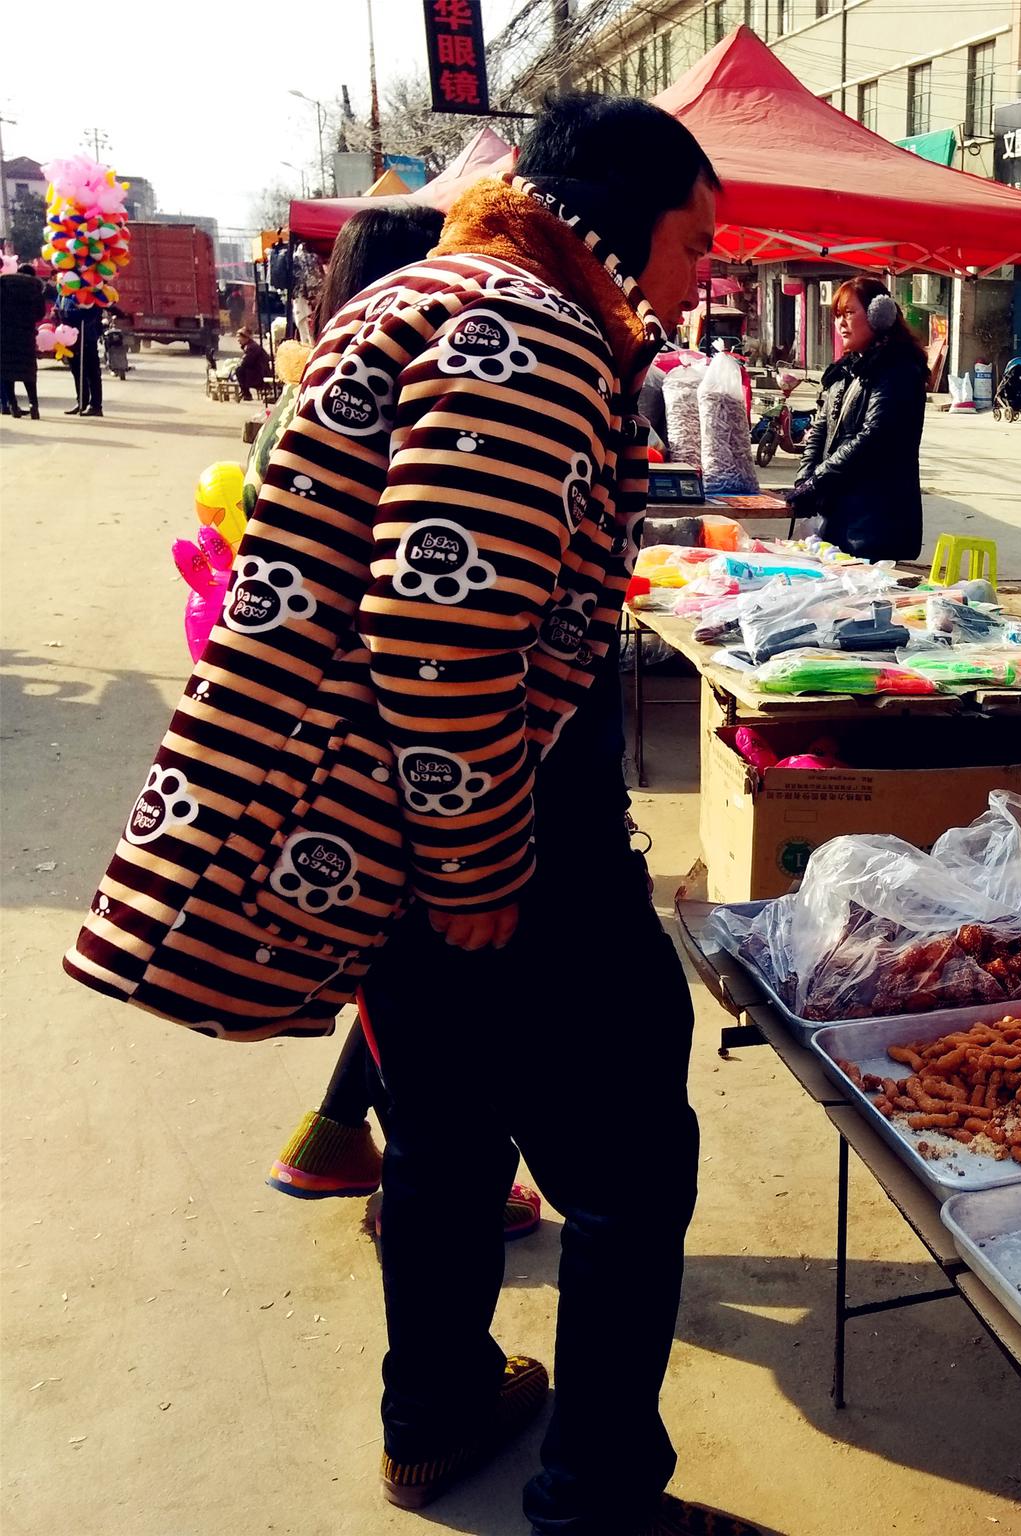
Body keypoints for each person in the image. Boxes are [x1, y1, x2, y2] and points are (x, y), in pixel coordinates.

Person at [66, 95, 754, 1535]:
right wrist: (481, 864)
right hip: (487, 837)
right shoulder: (535, 328)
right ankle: (598, 1490)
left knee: (447, 1134)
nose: (703, 279)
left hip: (403, 834)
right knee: (631, 1167)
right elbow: (439, 629)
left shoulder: (431, 294)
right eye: (695, 243)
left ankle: (433, 1415)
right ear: (622, 219)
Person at [254, 203, 553, 1239]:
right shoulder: (413, 396)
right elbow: (427, 634)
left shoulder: (327, 389)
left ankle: (354, 1149)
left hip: (344, 760)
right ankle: (404, 1193)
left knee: (403, 997)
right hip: (388, 776)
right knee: (427, 1016)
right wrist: (475, 854)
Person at [784, 275, 927, 560]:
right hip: (837, 516)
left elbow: (873, 438)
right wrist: (805, 478)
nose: (841, 323)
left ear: (880, 315)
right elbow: (820, 430)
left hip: (874, 521)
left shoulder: (898, 369)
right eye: (838, 315)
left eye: (849, 313)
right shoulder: (845, 371)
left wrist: (818, 481)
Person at [0, 265, 42, 418]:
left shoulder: (3, 285)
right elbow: (40, 313)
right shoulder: (35, 289)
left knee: (6, 371)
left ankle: (13, 406)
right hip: (26, 334)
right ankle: (33, 405)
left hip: (4, 334)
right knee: (28, 371)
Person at [232, 327, 270, 401]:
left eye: (239, 338)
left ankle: (246, 393)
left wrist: (237, 366)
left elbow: (245, 362)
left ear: (246, 338)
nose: (238, 340)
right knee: (239, 369)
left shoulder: (251, 347)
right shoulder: (250, 346)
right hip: (258, 371)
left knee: (239, 370)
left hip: (261, 373)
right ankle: (244, 392)